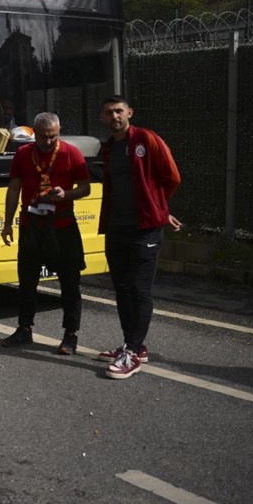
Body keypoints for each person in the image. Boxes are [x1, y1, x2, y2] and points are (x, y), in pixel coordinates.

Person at [96, 96, 181, 380]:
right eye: (109, 113)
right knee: (121, 288)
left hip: (145, 230)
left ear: (129, 112)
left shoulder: (146, 138)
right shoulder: (108, 148)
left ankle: (131, 353)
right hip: (116, 228)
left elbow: (171, 176)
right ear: (103, 118)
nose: (115, 116)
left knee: (139, 289)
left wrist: (158, 209)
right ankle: (132, 344)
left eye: (119, 111)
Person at [0, 113, 91, 354]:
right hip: (31, 225)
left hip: (62, 226)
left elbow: (85, 188)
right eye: (42, 136)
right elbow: (13, 189)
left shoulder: (71, 153)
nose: (48, 141)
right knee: (27, 280)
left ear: (59, 132)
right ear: (34, 134)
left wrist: (66, 195)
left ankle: (70, 334)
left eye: (53, 136)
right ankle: (24, 329)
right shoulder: (22, 154)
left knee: (70, 282)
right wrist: (8, 223)